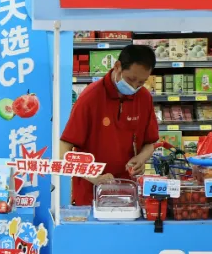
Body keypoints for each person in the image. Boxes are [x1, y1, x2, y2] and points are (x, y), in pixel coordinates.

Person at [60, 44, 160, 206]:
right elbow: (63, 149)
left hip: (127, 192)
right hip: (90, 195)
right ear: (117, 66)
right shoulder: (90, 98)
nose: (134, 87)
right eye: (131, 79)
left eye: (141, 82)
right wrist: (92, 175)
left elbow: (150, 143)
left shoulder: (144, 98)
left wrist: (141, 159)